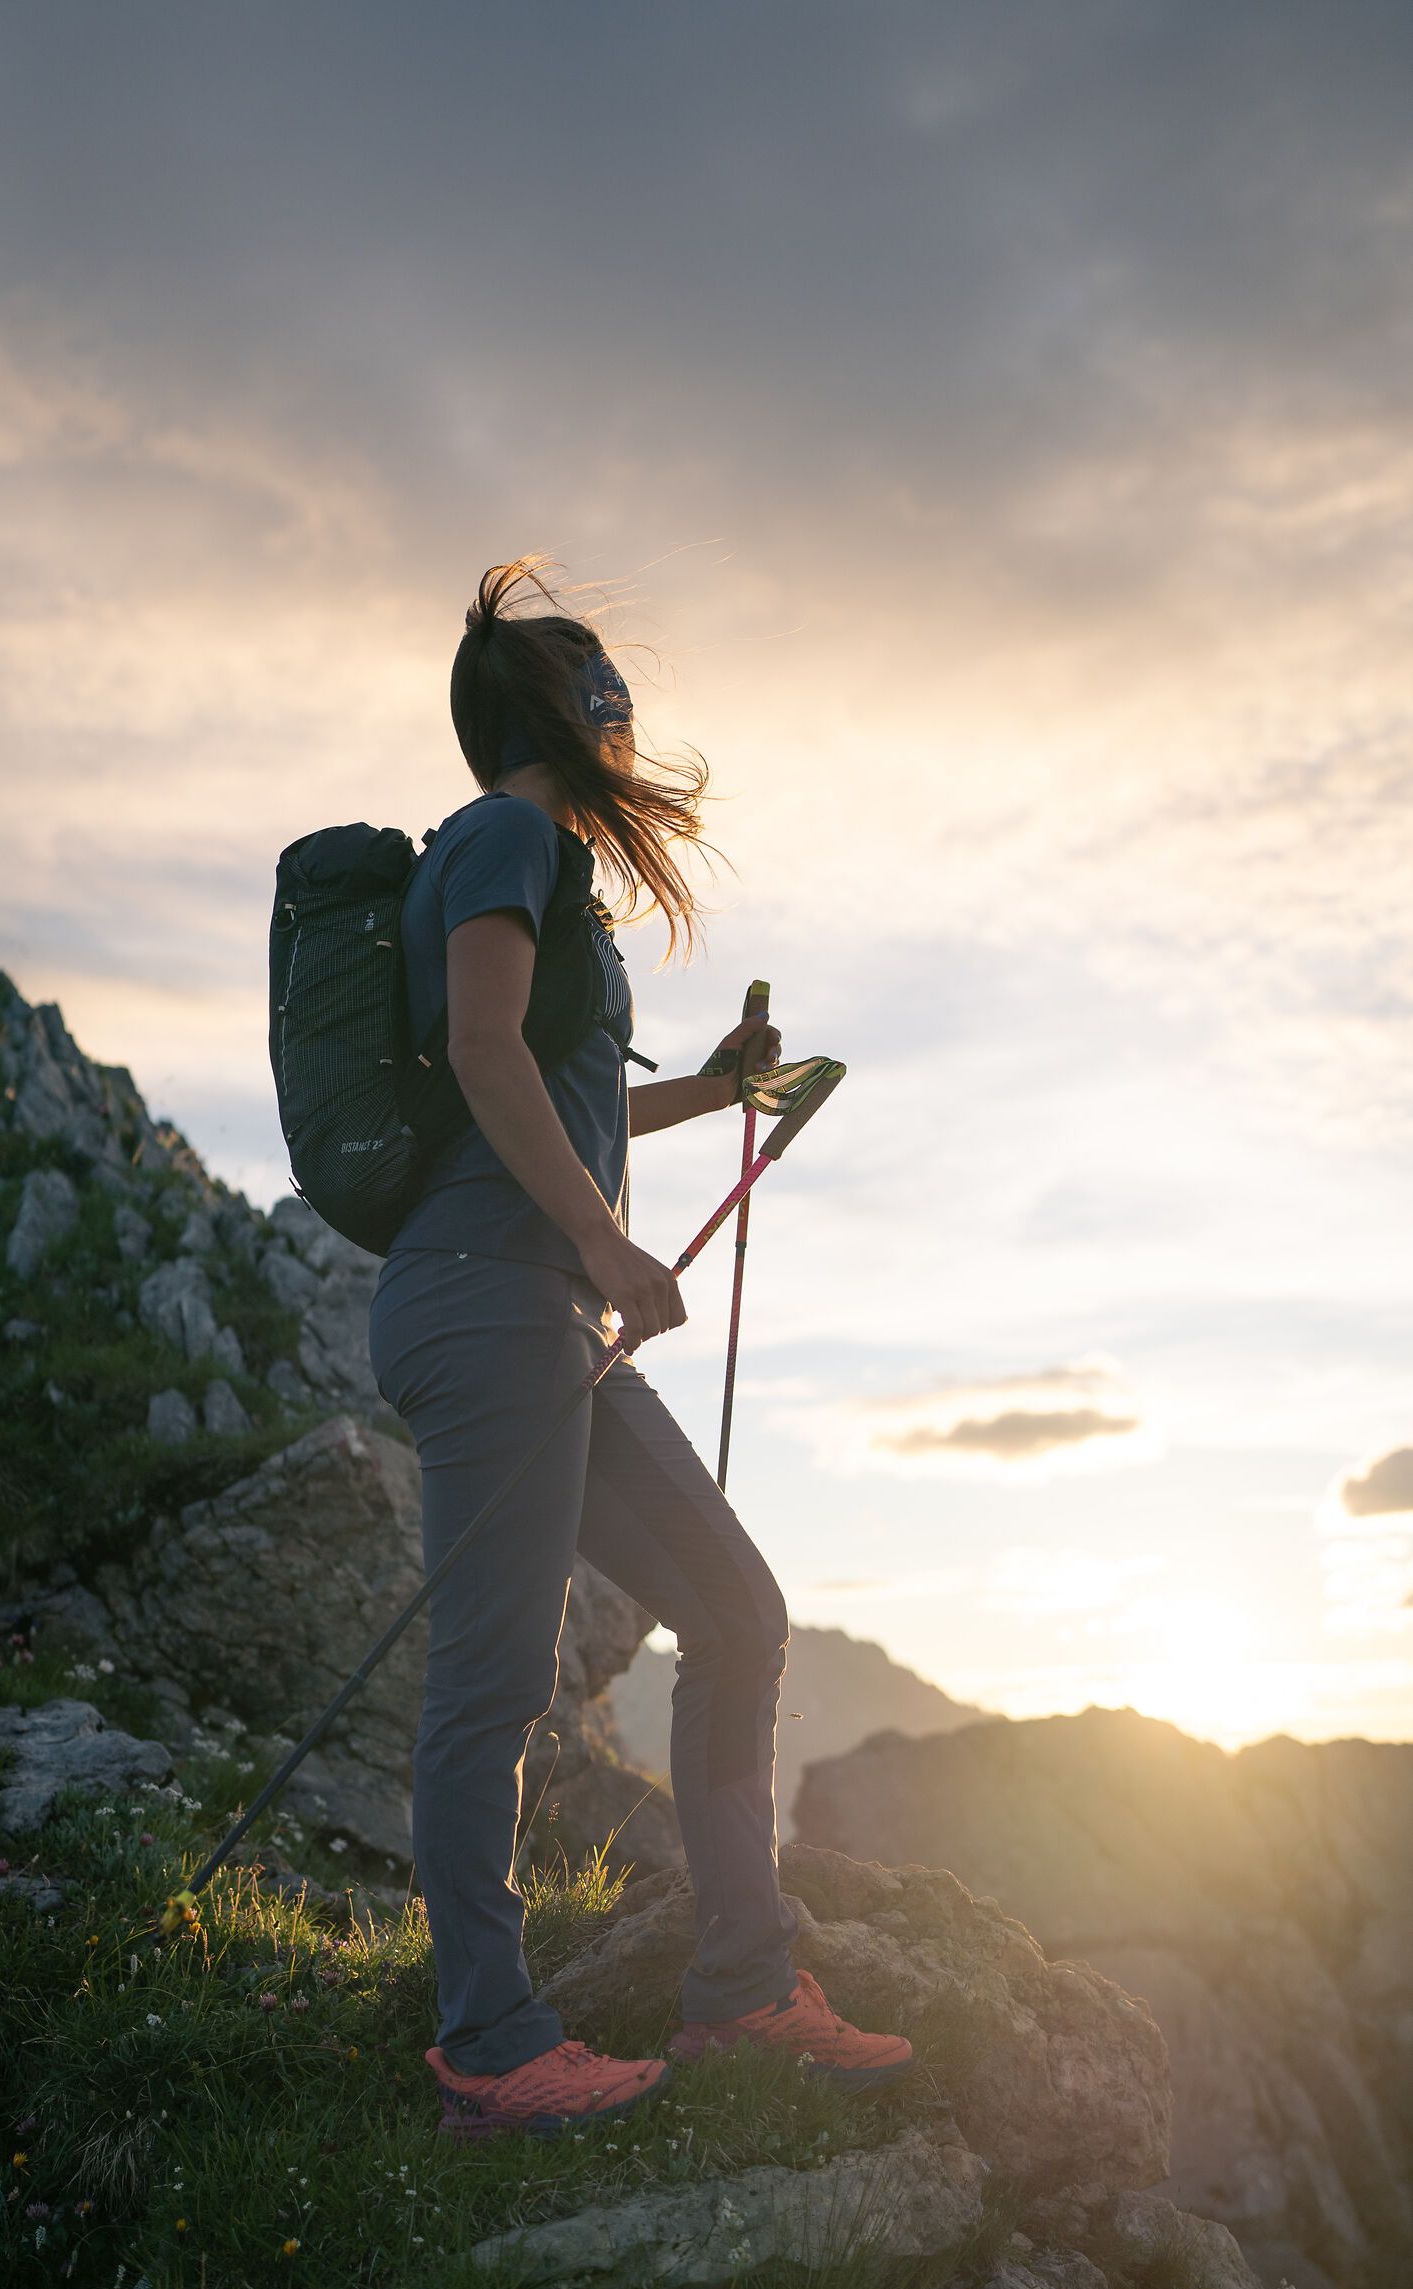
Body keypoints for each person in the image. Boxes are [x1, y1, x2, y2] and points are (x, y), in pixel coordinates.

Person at [368, 556, 913, 2139]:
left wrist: (718, 1092)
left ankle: (745, 1990)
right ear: (543, 707)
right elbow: (480, 1049)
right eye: (596, 671)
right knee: (491, 1682)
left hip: (532, 1305)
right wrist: (608, 1244)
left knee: (737, 1614)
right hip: (490, 1298)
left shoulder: (532, 854)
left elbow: (558, 1080)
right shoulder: (505, 833)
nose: (622, 694)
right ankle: (491, 2045)